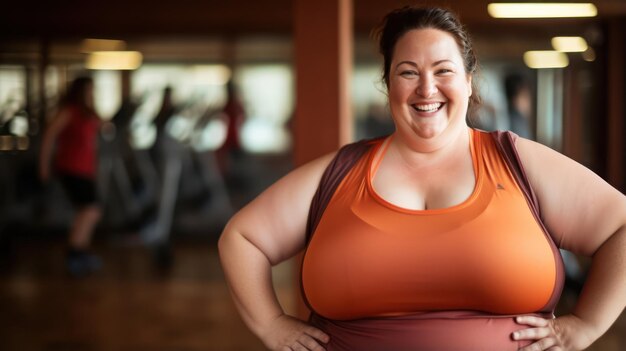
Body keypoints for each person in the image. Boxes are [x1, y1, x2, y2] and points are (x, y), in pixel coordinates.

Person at [218, 6, 626, 351]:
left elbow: (621, 227)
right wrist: (270, 323)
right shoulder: (339, 173)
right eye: (408, 72)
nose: (426, 88)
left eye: (443, 70)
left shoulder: (518, 163)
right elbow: (242, 238)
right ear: (388, 84)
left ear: (468, 80)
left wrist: (585, 325)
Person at [40, 76, 103, 277]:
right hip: (71, 168)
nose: (92, 94)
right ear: (80, 92)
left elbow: (102, 127)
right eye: (88, 91)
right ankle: (75, 253)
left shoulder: (89, 113)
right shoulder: (69, 112)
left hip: (86, 169)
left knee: (88, 211)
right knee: (91, 210)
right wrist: (43, 166)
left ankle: (80, 251)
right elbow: (49, 136)